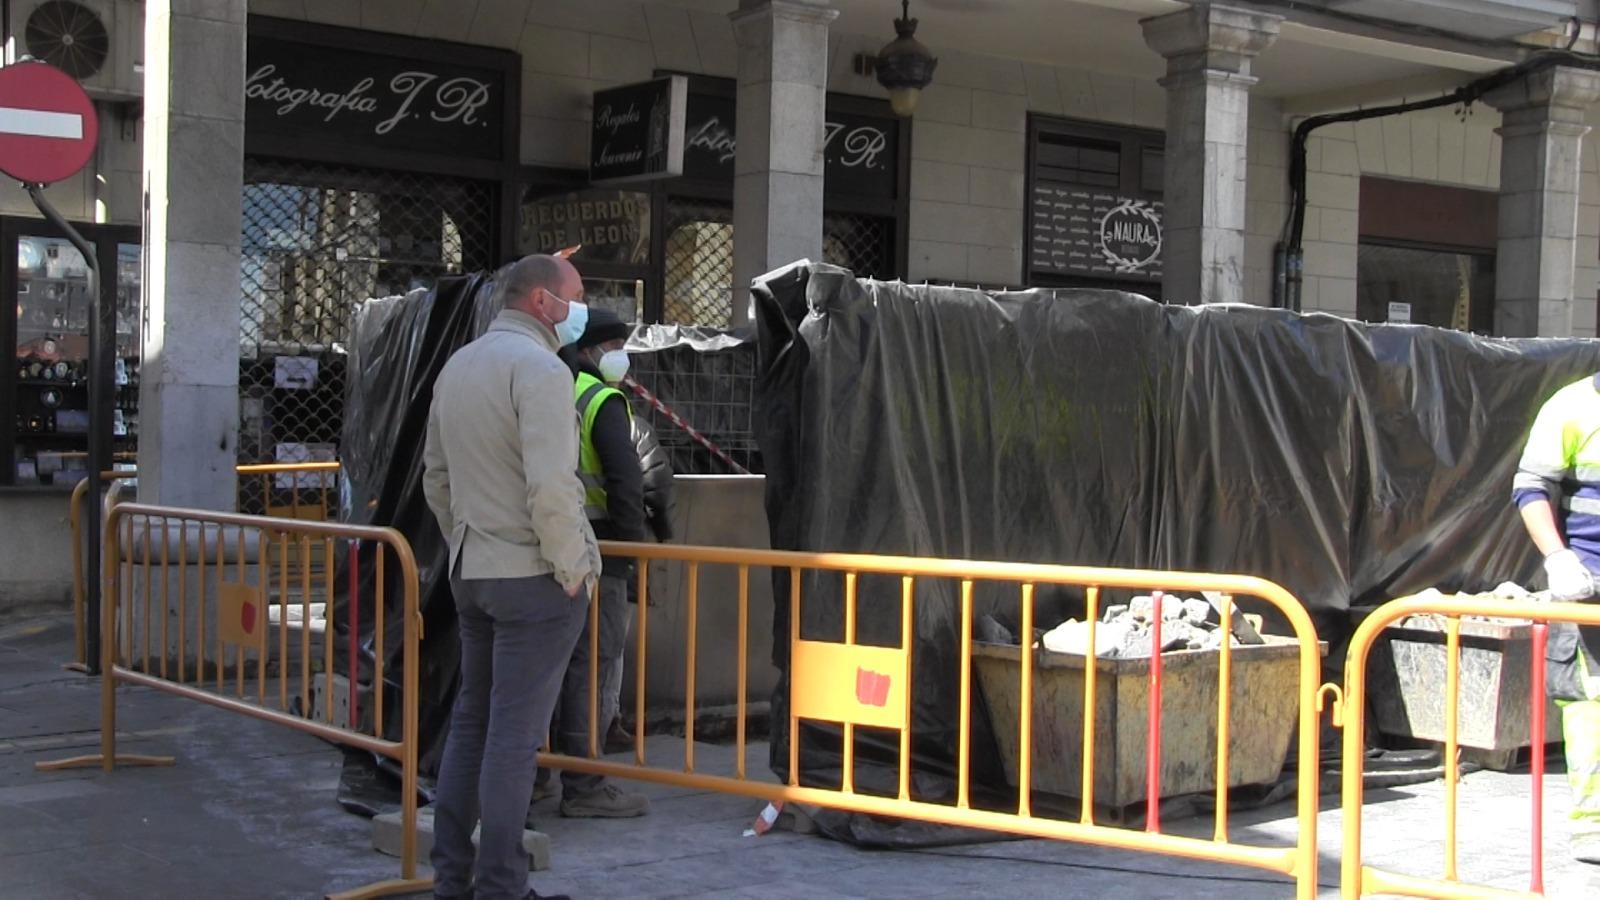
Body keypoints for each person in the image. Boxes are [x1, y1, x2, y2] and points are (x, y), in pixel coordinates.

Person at [422, 253, 601, 900]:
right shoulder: (542, 372)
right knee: (513, 739)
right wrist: (572, 567)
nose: (582, 307)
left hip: (474, 570)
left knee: (472, 723)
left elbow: (435, 479)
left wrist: (466, 542)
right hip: (534, 578)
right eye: (575, 296)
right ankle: (499, 885)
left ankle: (452, 877)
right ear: (542, 303)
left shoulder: (459, 366)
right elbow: (551, 486)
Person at [534, 306, 652, 819]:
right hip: (599, 548)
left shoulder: (550, 386)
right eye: (614, 346)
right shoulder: (603, 399)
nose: (620, 355)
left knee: (546, 665)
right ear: (590, 350)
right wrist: (632, 553)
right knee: (592, 664)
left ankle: (535, 775)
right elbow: (627, 483)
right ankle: (585, 783)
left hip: (548, 544)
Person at [1513, 372, 1600, 865]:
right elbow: (1532, 486)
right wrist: (1557, 557)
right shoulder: (1570, 407)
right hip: (1589, 582)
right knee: (1589, 701)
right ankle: (1592, 825)